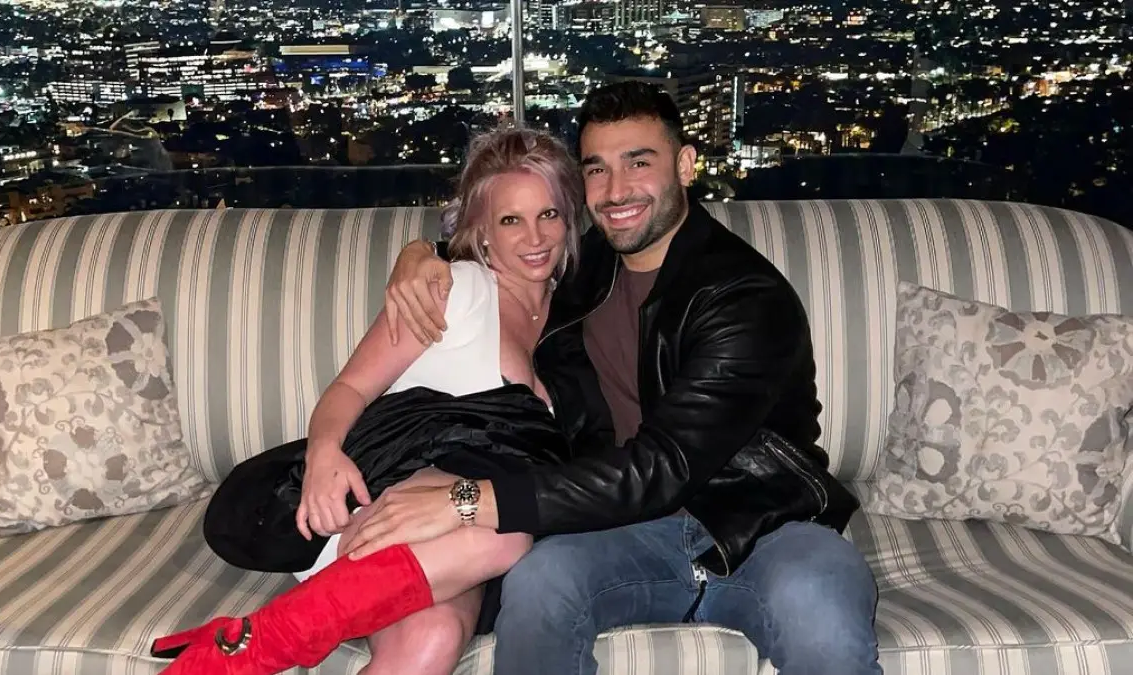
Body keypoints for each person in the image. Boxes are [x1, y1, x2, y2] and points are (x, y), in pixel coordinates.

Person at [341, 81, 883, 675]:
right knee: (540, 586)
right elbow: (500, 239)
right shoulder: (585, 267)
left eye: (638, 162)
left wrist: (466, 501)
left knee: (825, 623)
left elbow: (663, 467)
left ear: (685, 165)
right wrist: (422, 253)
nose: (616, 189)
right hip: (620, 531)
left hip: (762, 524)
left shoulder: (745, 298)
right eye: (597, 168)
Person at [147, 127, 586, 675]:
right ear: (482, 230)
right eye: (511, 220)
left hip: (461, 552)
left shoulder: (578, 315)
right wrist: (323, 454)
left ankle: (234, 646)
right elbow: (351, 387)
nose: (534, 237)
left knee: (433, 637)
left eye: (549, 214)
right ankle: (257, 647)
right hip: (394, 510)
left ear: (570, 216)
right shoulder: (450, 291)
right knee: (505, 536)